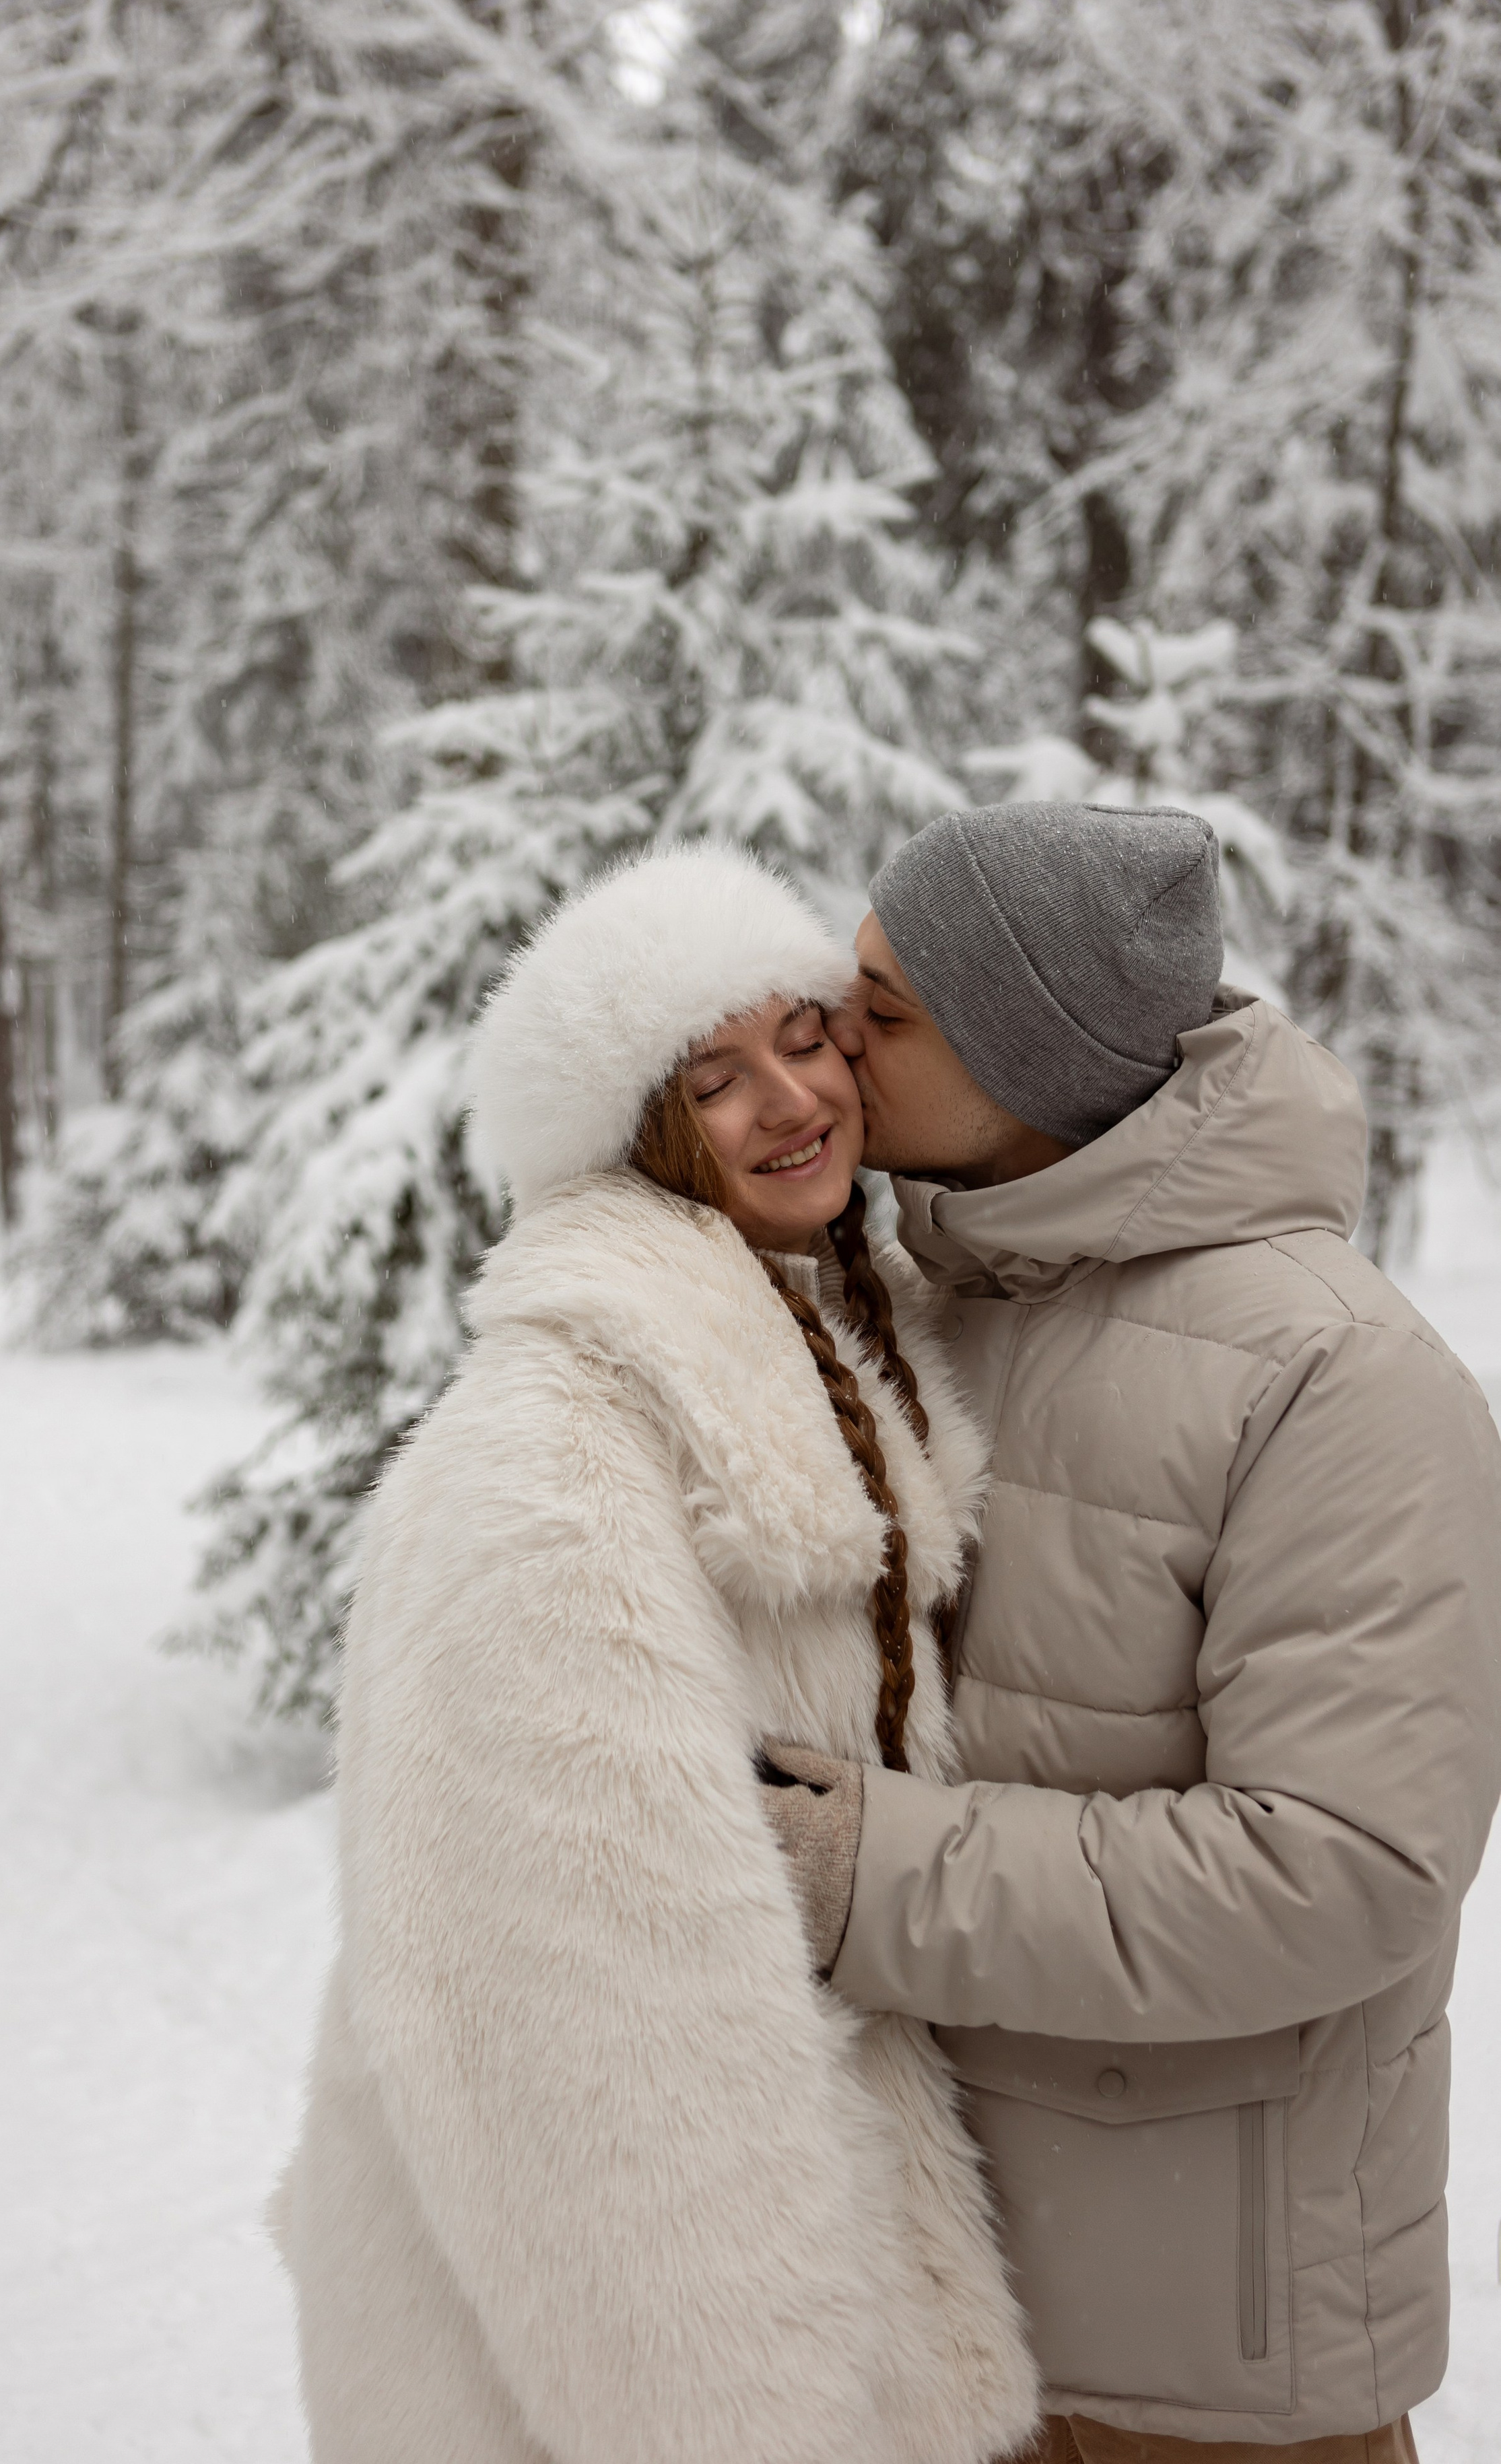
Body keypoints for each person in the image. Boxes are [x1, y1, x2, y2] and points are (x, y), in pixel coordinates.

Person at [275, 842, 1039, 2464]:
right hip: (608, 2340)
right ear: (640, 1136)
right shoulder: (555, 1449)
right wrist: (731, 2416)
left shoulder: (844, 1332)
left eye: (803, 1036)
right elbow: (579, 1998)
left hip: (815, 2245)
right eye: (713, 1076)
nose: (787, 1099)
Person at [761, 800, 1501, 2464]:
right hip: (935, 2327)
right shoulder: (923, 1309)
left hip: (1203, 2382)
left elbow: (1340, 1873)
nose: (831, 1044)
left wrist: (854, 1874)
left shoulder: (1336, 1380)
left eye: (885, 1015)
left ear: (1030, 1058)